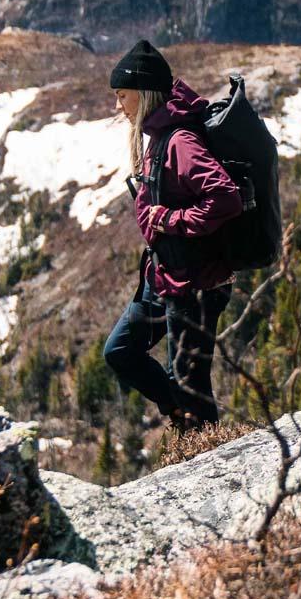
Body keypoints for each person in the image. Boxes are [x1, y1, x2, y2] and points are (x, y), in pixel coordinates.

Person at [103, 39, 242, 431]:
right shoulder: (158, 137)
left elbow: (225, 197)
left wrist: (172, 220)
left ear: (143, 94)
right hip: (164, 278)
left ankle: (206, 451)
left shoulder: (180, 141)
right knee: (121, 350)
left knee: (192, 385)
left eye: (122, 96)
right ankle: (180, 413)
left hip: (195, 283)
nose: (119, 106)